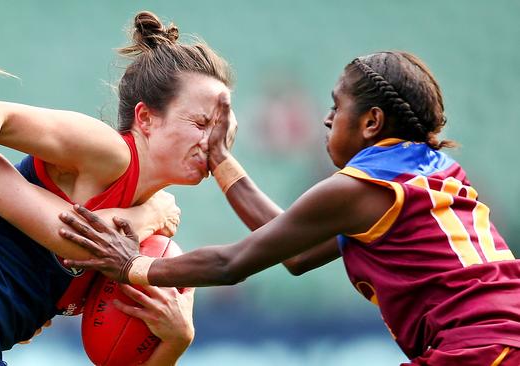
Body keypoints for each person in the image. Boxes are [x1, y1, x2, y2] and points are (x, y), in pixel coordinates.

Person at [59, 51, 520, 365]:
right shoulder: (433, 173)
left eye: (335, 107)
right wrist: (219, 158)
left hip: (478, 347)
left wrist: (132, 266)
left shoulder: (359, 186)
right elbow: (295, 252)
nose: (326, 118)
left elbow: (232, 263)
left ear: (371, 122)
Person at [0, 10, 233, 366]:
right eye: (200, 123)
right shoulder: (110, 153)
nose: (213, 140)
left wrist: (177, 342)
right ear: (146, 118)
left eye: (224, 127)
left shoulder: (149, 230)